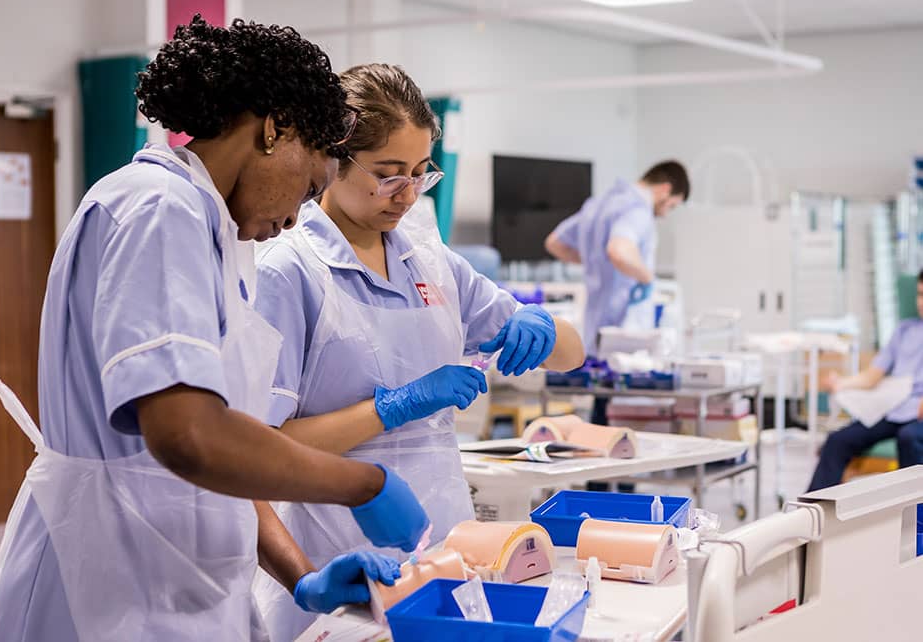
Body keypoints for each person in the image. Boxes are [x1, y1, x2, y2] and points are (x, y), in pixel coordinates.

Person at [0, 18, 428, 642]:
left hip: (176, 574)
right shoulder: (156, 208)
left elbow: (230, 439)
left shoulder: (212, 229)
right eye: (308, 187)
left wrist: (300, 576)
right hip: (107, 584)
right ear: (274, 129)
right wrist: (363, 484)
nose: (295, 216)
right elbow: (189, 436)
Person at [253, 63, 585, 638]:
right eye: (387, 174)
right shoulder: (289, 271)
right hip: (335, 552)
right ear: (333, 160)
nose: (406, 193)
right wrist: (391, 407)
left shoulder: (430, 260)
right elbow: (259, 449)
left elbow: (572, 355)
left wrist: (545, 327)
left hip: (445, 542)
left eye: (419, 173)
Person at [545, 160, 689, 425]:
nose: (665, 214)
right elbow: (619, 250)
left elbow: (555, 243)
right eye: (671, 206)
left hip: (595, 334)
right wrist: (647, 277)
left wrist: (592, 261)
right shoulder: (637, 210)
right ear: (665, 189)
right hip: (624, 338)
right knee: (624, 422)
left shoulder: (599, 204)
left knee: (601, 414)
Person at [807, 269, 923, 491]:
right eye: (919, 294)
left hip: (919, 414)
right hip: (894, 408)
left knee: (909, 438)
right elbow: (872, 376)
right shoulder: (904, 331)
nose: (921, 302)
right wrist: (840, 383)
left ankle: (915, 516)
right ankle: (813, 514)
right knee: (837, 440)